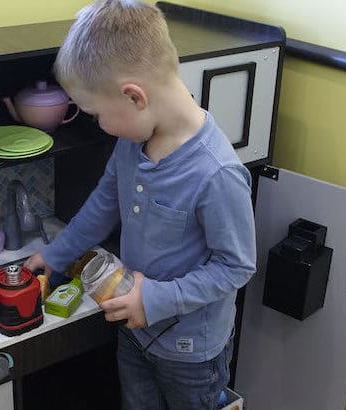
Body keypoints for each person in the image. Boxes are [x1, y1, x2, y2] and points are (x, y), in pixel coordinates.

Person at [22, 1, 257, 408]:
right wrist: (56, 255)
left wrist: (154, 300)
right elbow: (102, 204)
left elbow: (235, 267)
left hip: (191, 353)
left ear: (134, 97)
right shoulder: (132, 145)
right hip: (134, 332)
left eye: (98, 114)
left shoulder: (216, 173)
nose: (99, 125)